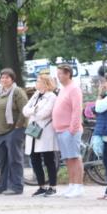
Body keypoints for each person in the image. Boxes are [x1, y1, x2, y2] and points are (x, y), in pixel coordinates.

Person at [0, 68, 28, 195]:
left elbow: (25, 110)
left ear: (12, 79)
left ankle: (16, 186)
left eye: (7, 78)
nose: (4, 80)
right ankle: (2, 185)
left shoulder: (17, 92)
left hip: (14, 130)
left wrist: (18, 126)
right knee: (2, 160)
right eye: (2, 77)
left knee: (14, 159)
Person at [23, 73, 58, 197]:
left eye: (38, 81)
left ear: (45, 83)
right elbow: (25, 110)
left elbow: (44, 113)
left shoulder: (51, 96)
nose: (36, 83)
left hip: (45, 131)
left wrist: (32, 112)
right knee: (34, 159)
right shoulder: (36, 94)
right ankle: (41, 186)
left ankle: (52, 186)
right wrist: (34, 111)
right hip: (33, 130)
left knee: (48, 160)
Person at [54, 64, 85, 198]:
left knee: (75, 158)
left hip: (70, 129)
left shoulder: (74, 89)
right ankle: (72, 185)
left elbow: (77, 110)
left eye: (60, 73)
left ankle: (78, 186)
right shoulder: (63, 89)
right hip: (61, 129)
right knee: (68, 159)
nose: (58, 76)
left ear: (68, 74)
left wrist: (73, 129)